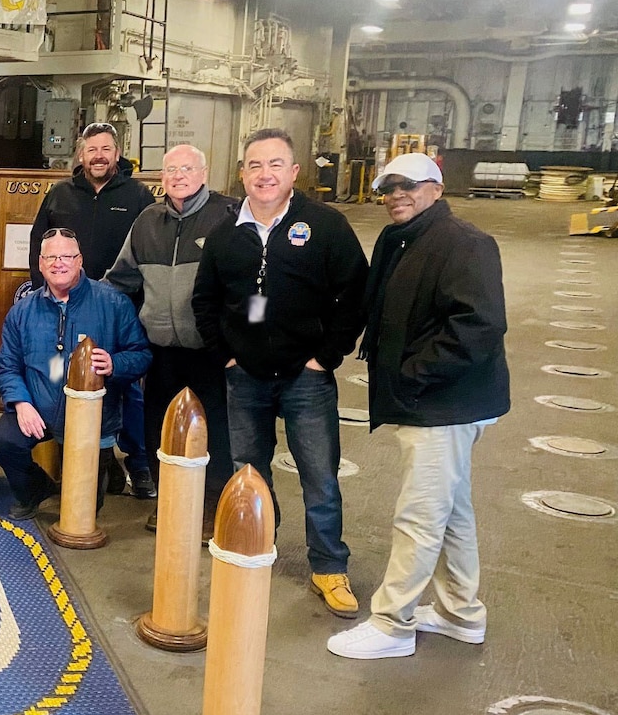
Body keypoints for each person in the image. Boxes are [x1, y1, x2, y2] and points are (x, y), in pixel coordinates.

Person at [327, 155, 509, 659]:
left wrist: (412, 375)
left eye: (408, 186)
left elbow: (478, 327)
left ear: (436, 188)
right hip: (423, 401)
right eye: (388, 187)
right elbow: (370, 304)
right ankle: (460, 613)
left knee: (420, 515)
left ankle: (393, 623)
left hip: (446, 404)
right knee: (453, 513)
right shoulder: (397, 239)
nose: (395, 195)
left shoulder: (465, 244)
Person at [192, 127, 368, 617]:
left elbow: (354, 294)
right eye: (254, 165)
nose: (264, 174)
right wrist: (225, 353)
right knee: (249, 471)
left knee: (319, 476)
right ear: (242, 174)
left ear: (294, 173)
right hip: (244, 376)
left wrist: (325, 356)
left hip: (306, 378)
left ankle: (329, 567)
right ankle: (257, 542)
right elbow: (205, 299)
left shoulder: (326, 225)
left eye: (275, 165)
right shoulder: (226, 233)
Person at [105, 144, 238, 527]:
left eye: (186, 168)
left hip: (211, 350)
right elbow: (121, 278)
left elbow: (250, 283)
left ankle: (211, 505)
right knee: (159, 429)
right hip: (161, 350)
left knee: (215, 432)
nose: (178, 176)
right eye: (170, 170)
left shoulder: (228, 216)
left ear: (204, 172)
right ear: (161, 178)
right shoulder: (147, 221)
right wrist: (82, 299)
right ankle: (169, 502)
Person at [29, 121, 157, 498]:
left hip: (120, 311)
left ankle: (138, 463)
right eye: (91, 149)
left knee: (127, 388)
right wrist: (46, 300)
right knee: (64, 380)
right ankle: (88, 462)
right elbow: (40, 247)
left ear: (117, 154)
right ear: (81, 155)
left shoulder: (139, 197)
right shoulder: (59, 195)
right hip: (67, 309)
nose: (98, 156)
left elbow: (149, 255)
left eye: (105, 149)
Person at [0, 228, 151, 520]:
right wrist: (21, 403)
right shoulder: (22, 311)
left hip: (94, 421)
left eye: (67, 256)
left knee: (83, 513)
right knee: (3, 440)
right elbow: (9, 364)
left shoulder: (114, 304)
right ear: (40, 264)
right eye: (51, 257)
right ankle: (36, 490)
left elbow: (141, 355)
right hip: (38, 409)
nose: (58, 263)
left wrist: (115, 364)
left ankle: (103, 469)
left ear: (80, 261)